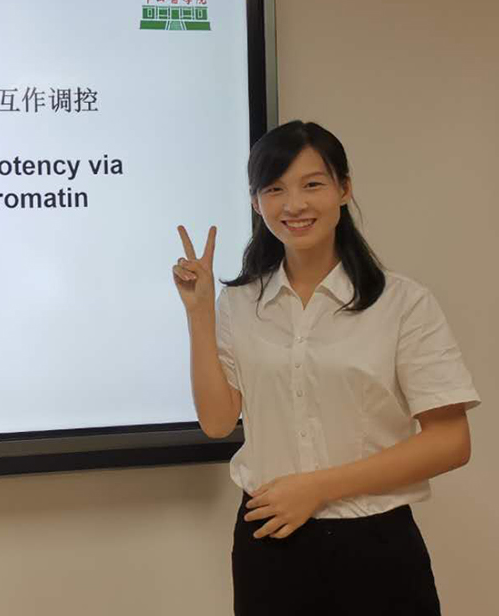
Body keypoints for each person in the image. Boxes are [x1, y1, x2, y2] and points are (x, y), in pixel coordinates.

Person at [172, 120, 479, 616]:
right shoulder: (239, 304)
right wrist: (199, 313)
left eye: (312, 184)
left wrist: (317, 487)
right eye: (275, 189)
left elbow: (451, 440)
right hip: (268, 540)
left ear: (344, 189)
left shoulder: (402, 303)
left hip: (375, 543)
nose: (294, 204)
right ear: (256, 203)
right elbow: (217, 421)